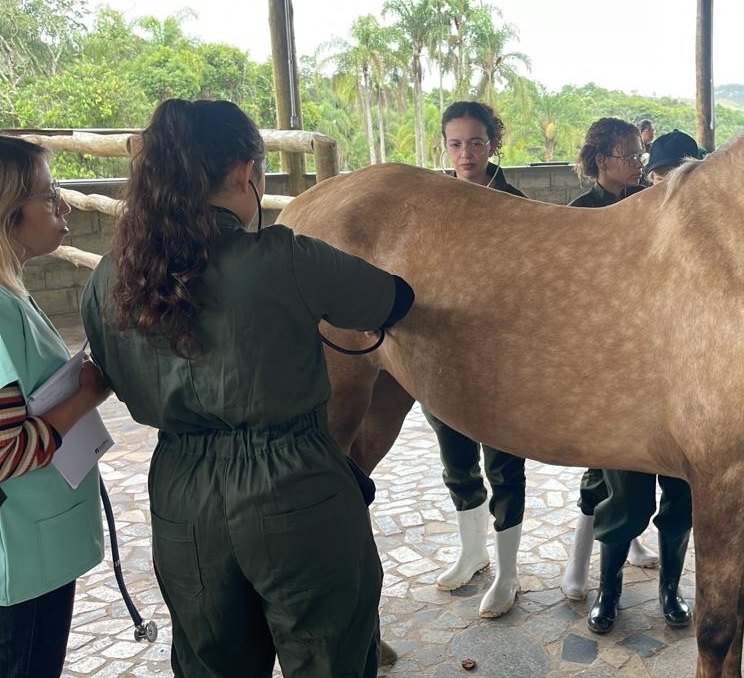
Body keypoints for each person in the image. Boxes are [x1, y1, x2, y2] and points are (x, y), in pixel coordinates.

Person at [80, 99, 414, 677]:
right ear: (244, 172)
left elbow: (112, 372)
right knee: (330, 656)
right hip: (296, 488)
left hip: (181, 496)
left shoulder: (109, 276)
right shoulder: (284, 257)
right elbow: (394, 299)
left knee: (211, 662)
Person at [558, 118, 693, 635]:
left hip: (677, 372)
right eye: (630, 156)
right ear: (601, 161)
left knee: (680, 491)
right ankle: (608, 593)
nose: (639, 165)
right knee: (625, 495)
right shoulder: (578, 216)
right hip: (619, 380)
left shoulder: (654, 204)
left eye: (640, 156)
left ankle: (670, 591)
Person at [0, 137, 112, 678]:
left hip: (33, 550)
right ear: (9, 212)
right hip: (17, 561)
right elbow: (4, 450)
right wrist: (88, 394)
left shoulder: (13, 292)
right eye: (49, 196)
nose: (63, 207)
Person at [426, 100, 527, 618]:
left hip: (499, 362)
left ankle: (508, 573)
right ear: (445, 146)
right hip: (441, 358)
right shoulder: (429, 205)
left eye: (476, 142)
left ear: (494, 143)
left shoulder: (516, 205)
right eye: (456, 143)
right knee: (457, 462)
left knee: (505, 464)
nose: (466, 152)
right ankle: (472, 553)